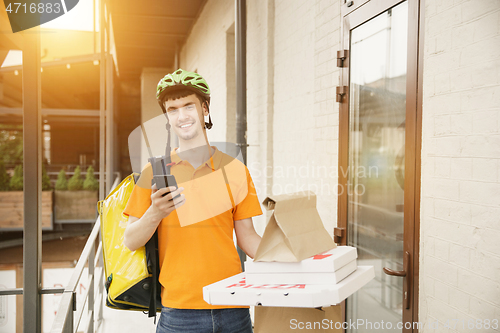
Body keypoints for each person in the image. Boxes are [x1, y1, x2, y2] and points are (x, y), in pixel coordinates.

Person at [123, 69, 263, 333]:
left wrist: (294, 259)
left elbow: (248, 238)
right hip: (179, 315)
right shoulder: (154, 173)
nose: (182, 115)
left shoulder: (235, 169)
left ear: (204, 109)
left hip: (233, 306)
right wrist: (155, 212)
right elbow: (130, 240)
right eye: (172, 109)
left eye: (189, 105)